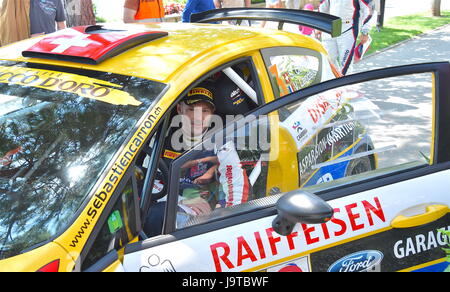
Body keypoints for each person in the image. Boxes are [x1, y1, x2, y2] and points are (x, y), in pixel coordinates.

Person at [317, 0, 374, 75]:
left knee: (345, 65)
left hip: (348, 28)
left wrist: (365, 31)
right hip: (331, 26)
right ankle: (335, 82)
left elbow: (369, 9)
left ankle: (345, 85)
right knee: (327, 60)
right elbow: (322, 7)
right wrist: (318, 26)